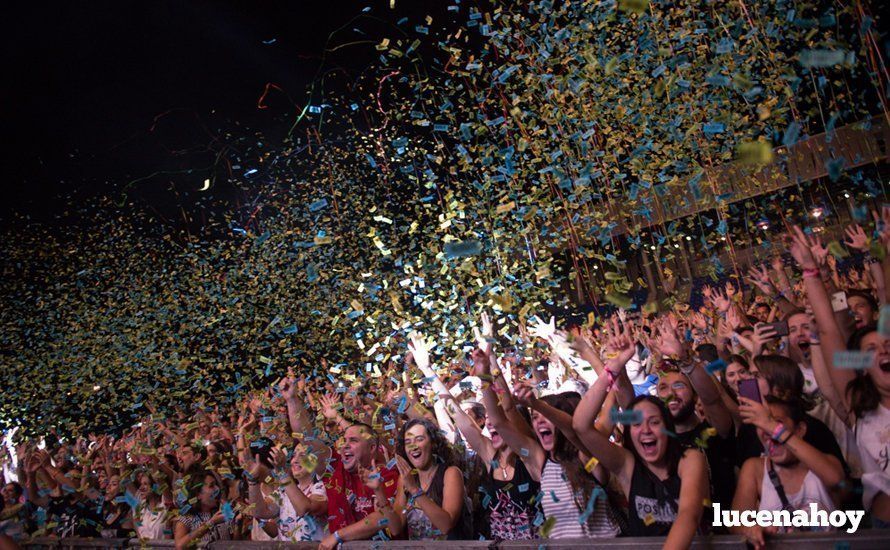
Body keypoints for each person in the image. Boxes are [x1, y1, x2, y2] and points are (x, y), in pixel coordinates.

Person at [572, 327, 709, 546]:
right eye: (636, 423)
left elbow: (688, 515)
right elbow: (581, 425)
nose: (645, 429)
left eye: (654, 422)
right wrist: (613, 368)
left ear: (667, 428)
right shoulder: (627, 466)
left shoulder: (690, 459)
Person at [732, 397, 847, 548]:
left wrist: (771, 426)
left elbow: (835, 479)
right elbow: (736, 521)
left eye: (776, 421)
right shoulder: (754, 468)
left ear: (800, 430)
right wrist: (751, 529)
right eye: (761, 423)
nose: (766, 429)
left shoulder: (822, 464)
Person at [390, 418, 470, 540]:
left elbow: (446, 525)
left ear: (433, 443)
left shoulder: (450, 473)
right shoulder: (405, 479)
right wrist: (379, 492)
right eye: (408, 442)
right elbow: (395, 529)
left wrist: (413, 489)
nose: (413, 446)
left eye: (419, 439)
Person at [173, 469, 236, 549]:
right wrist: (211, 523)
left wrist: (238, 524)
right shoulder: (187, 518)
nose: (217, 489)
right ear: (198, 494)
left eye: (216, 485)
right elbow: (180, 546)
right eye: (211, 486)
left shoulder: (222, 514)